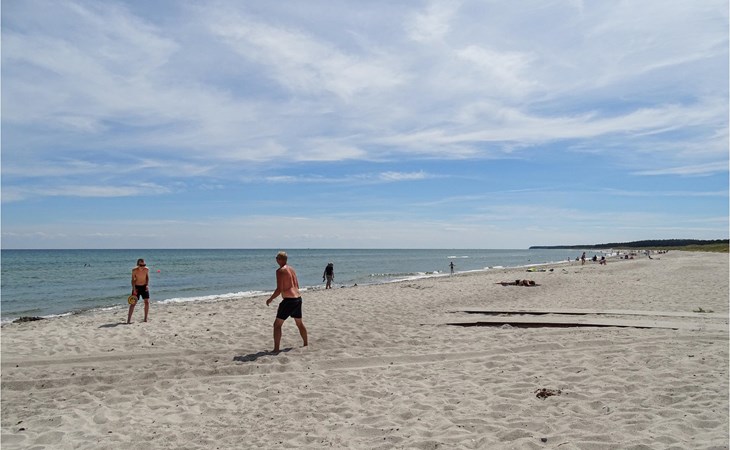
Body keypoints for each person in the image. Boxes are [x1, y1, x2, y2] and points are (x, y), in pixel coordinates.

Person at [266, 251, 308, 353]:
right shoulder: (292, 269)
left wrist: (270, 299)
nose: (276, 260)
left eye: (277, 258)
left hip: (289, 301)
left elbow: (279, 289)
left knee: (277, 325)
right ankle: (306, 343)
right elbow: (297, 285)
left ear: (281, 259)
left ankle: (276, 349)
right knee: (299, 323)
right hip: (298, 298)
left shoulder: (280, 271)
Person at [128, 258, 150, 324]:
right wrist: (134, 289)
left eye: (144, 265)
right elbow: (132, 280)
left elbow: (147, 277)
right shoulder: (134, 270)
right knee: (133, 303)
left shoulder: (146, 269)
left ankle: (145, 319)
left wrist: (147, 285)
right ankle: (128, 320)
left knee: (147, 302)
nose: (142, 266)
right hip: (136, 287)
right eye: (141, 265)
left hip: (144, 287)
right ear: (138, 265)